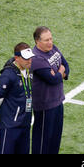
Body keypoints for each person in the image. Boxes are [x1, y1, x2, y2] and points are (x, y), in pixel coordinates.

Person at [31, 26, 70, 154]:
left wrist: (58, 73)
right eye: (46, 40)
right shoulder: (36, 58)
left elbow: (66, 66)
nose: (50, 42)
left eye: (51, 39)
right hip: (45, 105)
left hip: (58, 101)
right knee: (42, 141)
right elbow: (51, 79)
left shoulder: (53, 49)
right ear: (37, 41)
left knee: (55, 139)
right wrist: (60, 71)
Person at [0, 43, 34, 154]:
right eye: (26, 58)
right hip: (10, 126)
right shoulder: (7, 75)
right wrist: (8, 114)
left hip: (25, 123)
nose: (29, 60)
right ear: (17, 58)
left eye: (30, 57)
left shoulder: (30, 70)